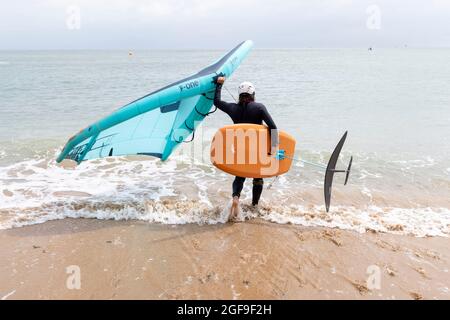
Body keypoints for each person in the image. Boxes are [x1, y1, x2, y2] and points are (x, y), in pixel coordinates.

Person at [214, 76, 278, 221]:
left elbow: (216, 102)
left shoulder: (232, 108)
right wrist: (273, 147)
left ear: (239, 95)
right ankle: (254, 205)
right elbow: (273, 127)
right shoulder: (259, 107)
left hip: (240, 150)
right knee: (258, 177)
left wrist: (219, 85)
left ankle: (236, 198)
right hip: (257, 151)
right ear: (253, 95)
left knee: (240, 175)